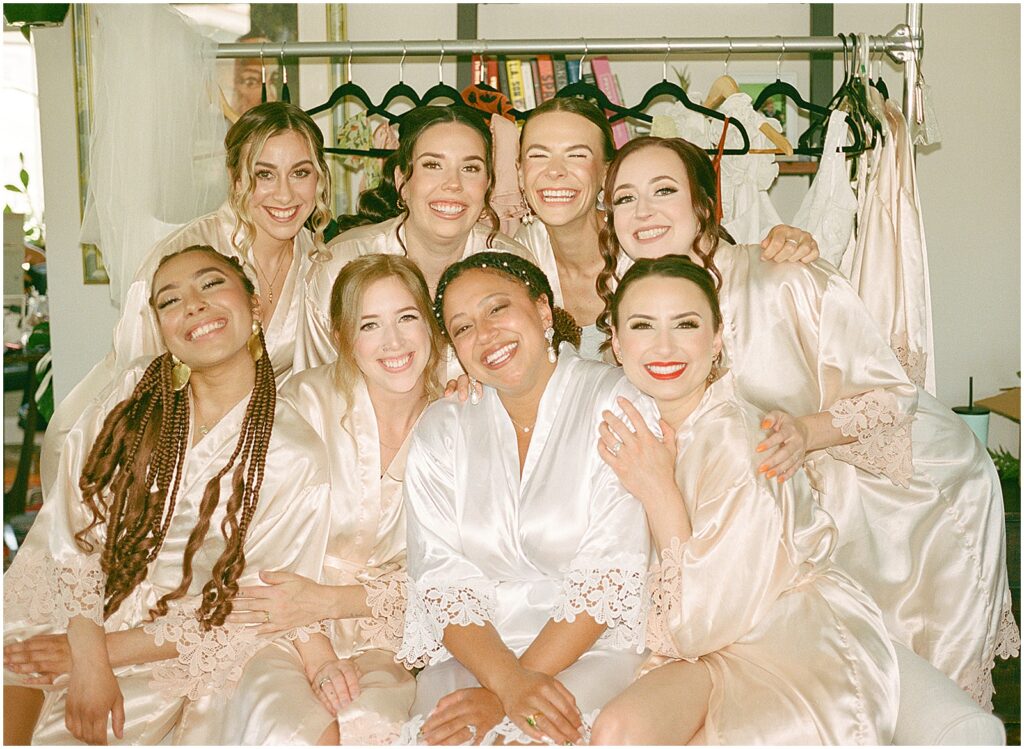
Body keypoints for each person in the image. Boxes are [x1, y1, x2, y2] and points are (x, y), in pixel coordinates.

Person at [596, 135, 1019, 708]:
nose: (643, 212)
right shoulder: (637, 304)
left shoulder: (783, 276)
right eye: (625, 198)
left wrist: (805, 432)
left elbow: (894, 395)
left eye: (663, 190)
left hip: (899, 492)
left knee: (906, 677)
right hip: (767, 502)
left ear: (702, 204)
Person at [3, 246, 333, 744]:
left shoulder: (294, 451)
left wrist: (100, 660)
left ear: (255, 305)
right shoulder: (131, 396)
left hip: (173, 648)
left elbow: (246, 608)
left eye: (210, 284)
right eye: (170, 300)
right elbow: (73, 532)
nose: (193, 305)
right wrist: (86, 648)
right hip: (72, 605)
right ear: (159, 327)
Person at [589, 255, 899, 744]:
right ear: (617, 343)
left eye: (685, 324)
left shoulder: (743, 441)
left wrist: (659, 492)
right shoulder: (632, 416)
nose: (664, 345)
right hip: (709, 640)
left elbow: (701, 623)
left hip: (781, 641)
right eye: (643, 325)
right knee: (618, 729)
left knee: (620, 729)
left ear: (716, 340)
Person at [397, 252, 654, 745]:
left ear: (541, 311)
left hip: (591, 649)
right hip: (477, 655)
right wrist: (506, 681)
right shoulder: (442, 428)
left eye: (498, 309)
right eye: (464, 327)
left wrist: (510, 692)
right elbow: (440, 578)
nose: (486, 334)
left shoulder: (615, 401)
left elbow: (611, 570)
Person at [201, 255, 444, 745]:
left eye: (407, 317)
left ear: (430, 325)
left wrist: (335, 604)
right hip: (278, 626)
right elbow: (255, 542)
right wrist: (317, 653)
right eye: (369, 324)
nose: (393, 342)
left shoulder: (454, 422)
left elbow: (450, 581)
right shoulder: (305, 402)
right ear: (342, 337)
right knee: (294, 731)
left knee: (371, 726)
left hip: (382, 636)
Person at [41, 101, 333, 497]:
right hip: (145, 450)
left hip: (250, 459)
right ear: (235, 178)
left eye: (300, 173)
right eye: (264, 174)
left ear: (319, 179)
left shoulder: (317, 263)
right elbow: (136, 383)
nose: (284, 194)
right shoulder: (183, 257)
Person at [513, 96, 821, 360]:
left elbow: (735, 273)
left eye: (576, 155)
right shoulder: (515, 259)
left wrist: (786, 243)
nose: (555, 171)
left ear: (608, 174)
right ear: (519, 172)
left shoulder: (648, 238)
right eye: (537, 156)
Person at [299, 105, 537, 372]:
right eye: (433, 165)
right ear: (402, 181)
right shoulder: (339, 265)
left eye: (470, 168)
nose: (453, 184)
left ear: (488, 184)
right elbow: (317, 386)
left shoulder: (513, 266)